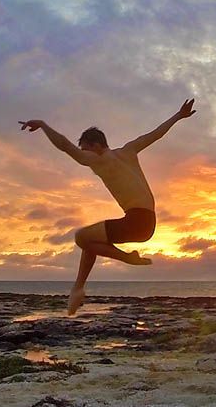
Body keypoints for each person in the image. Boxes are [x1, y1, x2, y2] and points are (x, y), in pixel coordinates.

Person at [19, 98, 197, 315]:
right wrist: (178, 116)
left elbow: (65, 146)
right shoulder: (129, 150)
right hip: (147, 222)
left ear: (95, 146)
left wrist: (43, 125)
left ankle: (125, 259)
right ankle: (78, 288)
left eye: (86, 149)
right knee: (89, 240)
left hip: (136, 221)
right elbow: (155, 134)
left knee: (80, 237)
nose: (84, 155)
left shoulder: (99, 160)